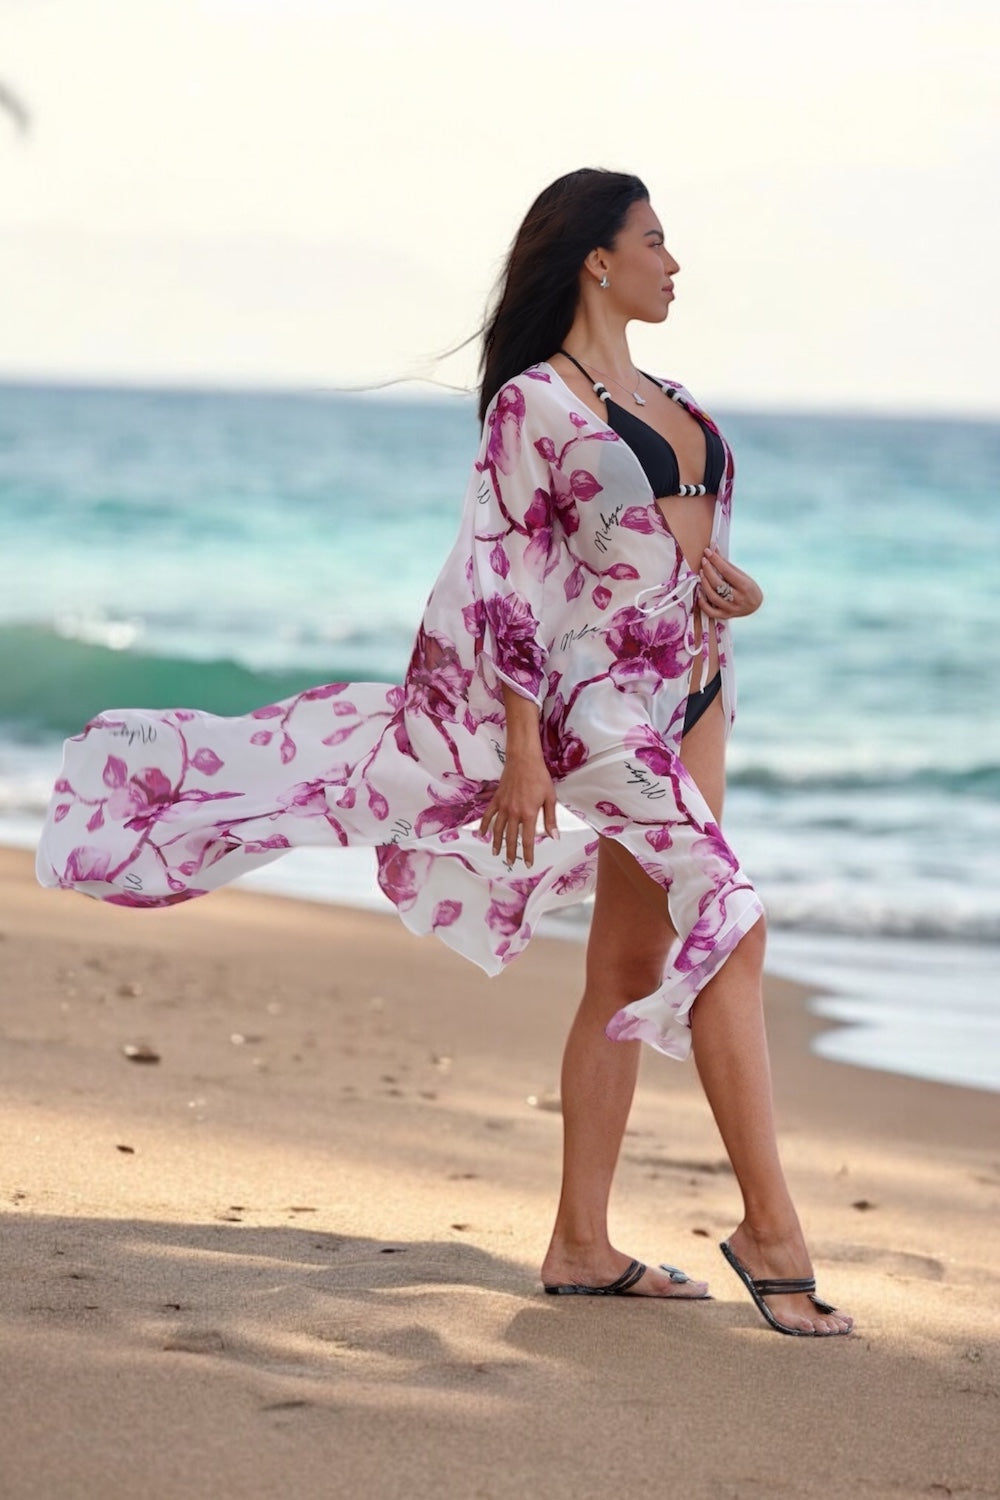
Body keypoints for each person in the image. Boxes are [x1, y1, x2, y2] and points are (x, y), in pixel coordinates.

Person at [37, 168, 851, 1336]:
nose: (675, 264)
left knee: (627, 965)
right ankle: (772, 1232)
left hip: (699, 694)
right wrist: (522, 747)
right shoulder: (533, 403)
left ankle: (579, 1246)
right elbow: (505, 578)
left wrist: (740, 594)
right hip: (597, 711)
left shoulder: (673, 397)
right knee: (735, 919)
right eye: (655, 240)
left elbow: (671, 549)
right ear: (597, 260)